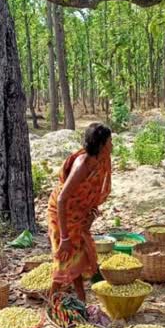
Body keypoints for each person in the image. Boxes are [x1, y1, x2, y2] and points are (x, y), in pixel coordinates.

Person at [48, 123, 113, 302]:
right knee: (65, 258)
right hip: (62, 212)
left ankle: (81, 300)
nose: (112, 146)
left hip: (78, 213)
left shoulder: (102, 161)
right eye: (109, 142)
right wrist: (65, 239)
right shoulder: (82, 164)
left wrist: (90, 213)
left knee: (79, 254)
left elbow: (95, 192)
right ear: (101, 145)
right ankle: (51, 303)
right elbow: (62, 199)